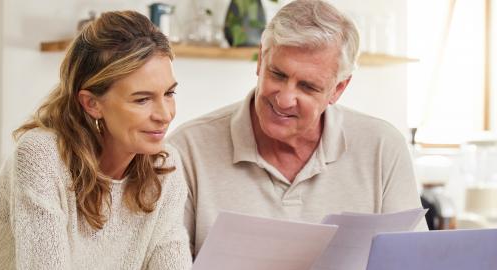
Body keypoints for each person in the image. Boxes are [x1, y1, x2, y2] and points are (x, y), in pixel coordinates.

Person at [167, 0, 426, 255]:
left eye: (307, 87)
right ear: (260, 61)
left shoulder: (383, 148)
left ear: (338, 89)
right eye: (277, 74)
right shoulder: (187, 149)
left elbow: (412, 260)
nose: (284, 99)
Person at [0, 11, 191, 269]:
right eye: (142, 99)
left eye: (169, 93)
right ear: (91, 103)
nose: (165, 115)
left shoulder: (164, 167)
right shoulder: (41, 158)